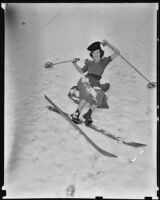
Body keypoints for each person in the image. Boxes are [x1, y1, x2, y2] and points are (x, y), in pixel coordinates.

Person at [71, 39, 120, 125]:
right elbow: (82, 71)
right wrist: (74, 64)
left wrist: (108, 44)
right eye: (94, 53)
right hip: (86, 81)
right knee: (87, 95)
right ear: (92, 54)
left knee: (100, 95)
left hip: (96, 82)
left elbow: (117, 52)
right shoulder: (89, 63)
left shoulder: (104, 61)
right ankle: (76, 114)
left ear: (100, 52)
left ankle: (88, 114)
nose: (96, 54)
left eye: (97, 52)